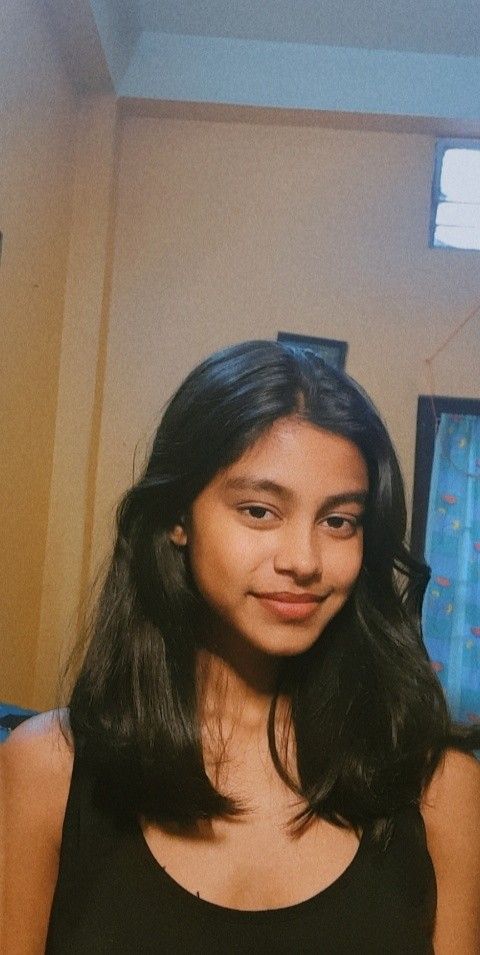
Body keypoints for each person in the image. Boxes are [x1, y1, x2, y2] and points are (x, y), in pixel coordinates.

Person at [1, 339, 479, 954]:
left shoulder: (439, 789)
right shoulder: (48, 769)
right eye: (259, 511)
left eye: (338, 522)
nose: (304, 561)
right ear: (179, 517)